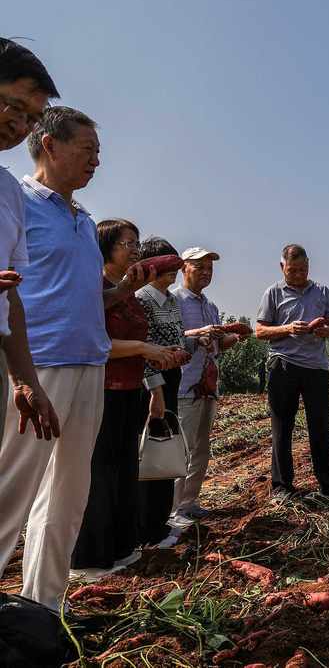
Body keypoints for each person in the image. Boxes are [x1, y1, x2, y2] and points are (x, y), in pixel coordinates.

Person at [0, 106, 152, 609]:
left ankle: (43, 609)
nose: (96, 161)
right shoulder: (17, 202)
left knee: (68, 495)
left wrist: (122, 290)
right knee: (12, 494)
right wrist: (22, 379)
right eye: (87, 150)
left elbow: (87, 295)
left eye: (98, 152)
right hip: (38, 367)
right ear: (50, 145)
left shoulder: (84, 220)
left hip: (89, 363)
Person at [70, 220, 177, 579]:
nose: (135, 250)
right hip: (102, 391)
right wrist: (147, 348)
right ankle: (91, 557)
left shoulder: (128, 293)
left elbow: (135, 346)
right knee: (99, 474)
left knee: (123, 471)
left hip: (129, 391)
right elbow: (96, 342)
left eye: (137, 243)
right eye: (127, 244)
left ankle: (120, 546)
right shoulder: (94, 288)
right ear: (105, 249)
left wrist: (158, 356)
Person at [0, 38, 61, 445]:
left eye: (30, 117)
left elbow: (11, 296)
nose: (18, 125)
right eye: (13, 106)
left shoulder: (8, 191)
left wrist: (24, 379)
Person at [255, 244, 329, 504]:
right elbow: (260, 331)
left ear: (309, 266)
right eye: (292, 270)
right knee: (282, 427)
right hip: (284, 365)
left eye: (303, 269)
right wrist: (288, 328)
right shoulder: (272, 293)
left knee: (321, 427)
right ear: (282, 267)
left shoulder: (322, 291)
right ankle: (282, 486)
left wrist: (324, 330)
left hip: (316, 367)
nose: (297, 274)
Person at [168, 247, 242, 527]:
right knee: (181, 450)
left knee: (200, 448)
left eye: (210, 269)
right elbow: (168, 338)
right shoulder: (173, 301)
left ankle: (189, 502)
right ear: (184, 268)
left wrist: (230, 338)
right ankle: (171, 509)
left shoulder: (209, 306)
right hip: (184, 386)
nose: (206, 273)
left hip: (207, 386)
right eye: (200, 267)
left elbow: (214, 346)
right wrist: (196, 334)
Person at [135, 236, 194, 548]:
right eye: (167, 265)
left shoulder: (170, 299)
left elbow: (175, 339)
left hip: (171, 376)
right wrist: (155, 388)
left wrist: (182, 351)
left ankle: (159, 520)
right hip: (152, 383)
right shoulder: (142, 299)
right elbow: (143, 349)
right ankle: (146, 527)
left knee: (166, 447)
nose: (174, 272)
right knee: (152, 450)